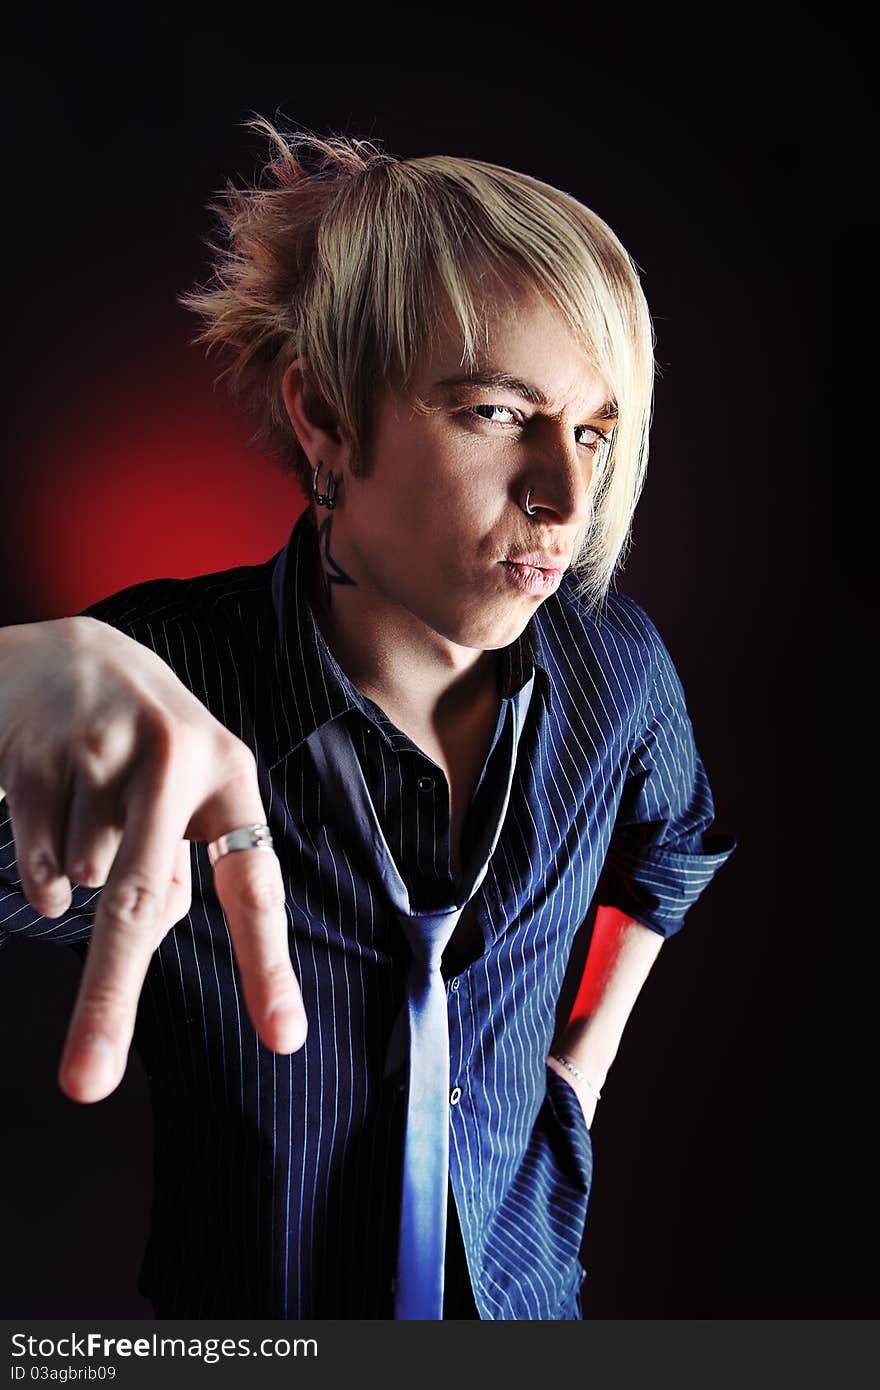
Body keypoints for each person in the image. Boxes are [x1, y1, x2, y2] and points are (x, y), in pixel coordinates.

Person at [0, 119, 735, 1320]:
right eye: (499, 412)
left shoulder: (616, 669)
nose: (563, 495)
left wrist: (576, 1077)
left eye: (592, 430)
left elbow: (675, 849)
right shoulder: (154, 689)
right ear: (329, 418)